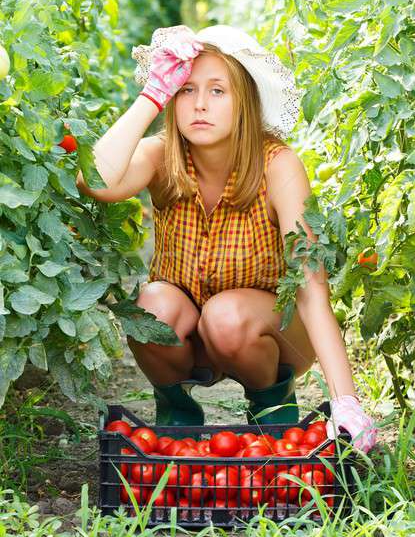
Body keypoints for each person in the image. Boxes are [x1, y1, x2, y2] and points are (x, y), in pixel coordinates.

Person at [76, 24, 377, 454]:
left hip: (271, 336)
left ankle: (271, 405)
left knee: (226, 316)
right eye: (185, 90)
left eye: (218, 91)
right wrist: (151, 95)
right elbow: (95, 181)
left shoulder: (277, 166)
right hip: (190, 335)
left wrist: (346, 400)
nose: (199, 104)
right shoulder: (162, 157)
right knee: (149, 305)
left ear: (246, 102)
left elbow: (310, 284)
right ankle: (176, 407)